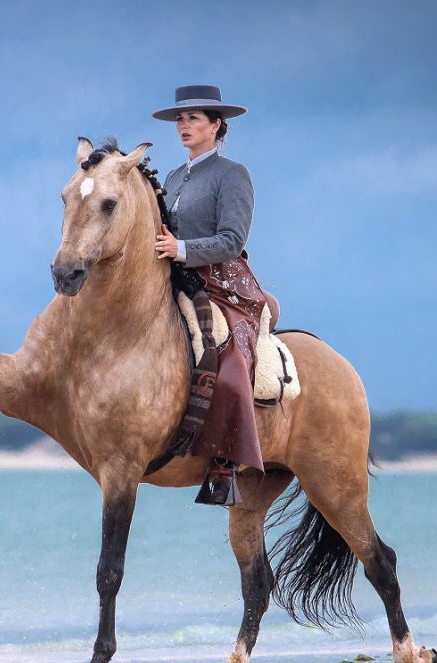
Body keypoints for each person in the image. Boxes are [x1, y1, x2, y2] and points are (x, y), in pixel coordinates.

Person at [151, 85, 268, 506]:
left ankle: (225, 462)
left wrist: (181, 249)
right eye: (180, 119)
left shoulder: (233, 174)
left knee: (230, 354)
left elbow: (233, 240)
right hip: (174, 277)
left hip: (225, 283)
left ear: (216, 125)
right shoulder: (172, 177)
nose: (183, 126)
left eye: (193, 118)